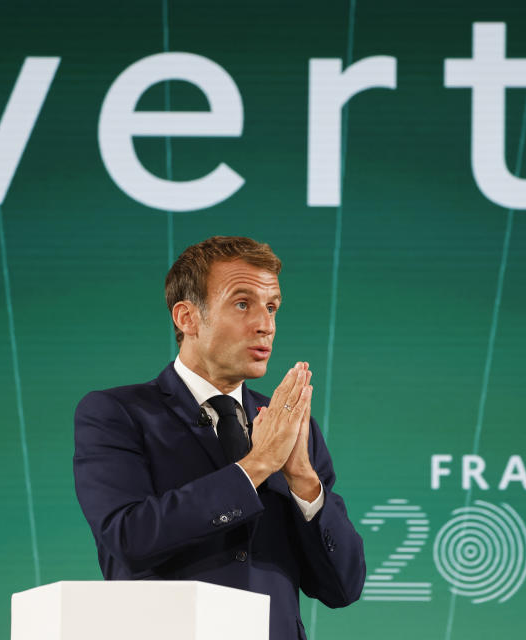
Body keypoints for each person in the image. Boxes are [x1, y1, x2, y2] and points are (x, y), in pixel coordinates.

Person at [73, 236, 366, 639]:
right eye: (243, 303)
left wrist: (302, 479)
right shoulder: (118, 414)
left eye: (272, 306)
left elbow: (343, 586)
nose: (266, 323)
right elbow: (128, 537)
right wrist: (257, 465)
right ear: (187, 318)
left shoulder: (288, 424)